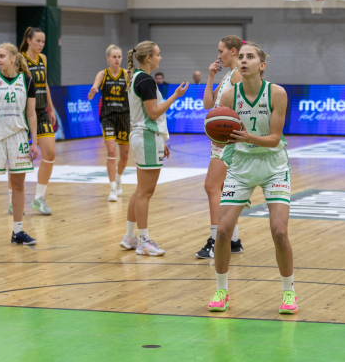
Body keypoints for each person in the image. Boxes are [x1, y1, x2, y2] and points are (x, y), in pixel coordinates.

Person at [207, 42, 296, 315]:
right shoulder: (229, 96)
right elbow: (223, 140)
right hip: (241, 164)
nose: (244, 60)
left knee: (279, 232)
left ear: (262, 65)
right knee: (223, 231)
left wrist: (248, 137)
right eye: (242, 57)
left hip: (273, 164)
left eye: (250, 57)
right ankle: (221, 290)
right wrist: (219, 138)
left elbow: (274, 139)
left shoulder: (277, 93)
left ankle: (288, 292)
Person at [119, 41, 188, 255]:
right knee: (145, 192)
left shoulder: (137, 77)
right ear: (148, 57)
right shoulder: (146, 80)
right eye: (158, 54)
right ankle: (144, 241)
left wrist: (161, 139)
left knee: (140, 190)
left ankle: (129, 237)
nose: (160, 57)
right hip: (146, 137)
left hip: (145, 136)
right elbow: (154, 112)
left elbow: (147, 115)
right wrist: (175, 95)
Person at [0, 43, 39, 248]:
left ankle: (18, 231)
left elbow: (31, 114)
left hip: (19, 138)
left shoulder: (27, 82)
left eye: (2, 56)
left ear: (13, 58)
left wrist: (34, 141)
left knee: (19, 185)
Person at [196, 35, 245, 259]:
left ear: (233, 51)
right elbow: (208, 103)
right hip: (222, 141)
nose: (218, 56)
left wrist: (232, 133)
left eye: (221, 51)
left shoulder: (237, 75)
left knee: (211, 186)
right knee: (226, 191)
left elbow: (244, 108)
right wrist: (210, 76)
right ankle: (233, 240)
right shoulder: (227, 75)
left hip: (228, 141)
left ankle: (216, 240)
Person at [8, 27, 56, 215]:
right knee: (18, 159)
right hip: (23, 113)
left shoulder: (43, 59)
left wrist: (51, 107)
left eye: (43, 41)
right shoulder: (19, 59)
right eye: (38, 41)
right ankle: (13, 199)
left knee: (50, 153)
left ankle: (39, 198)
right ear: (28, 40)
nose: (41, 44)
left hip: (41, 112)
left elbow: (44, 84)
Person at [88, 45, 131, 202]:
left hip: (124, 117)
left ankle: (118, 178)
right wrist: (93, 91)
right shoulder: (102, 74)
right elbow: (91, 95)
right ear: (108, 58)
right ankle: (112, 188)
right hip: (108, 117)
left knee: (124, 157)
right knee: (112, 151)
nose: (117, 59)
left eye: (119, 57)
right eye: (114, 57)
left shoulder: (126, 74)